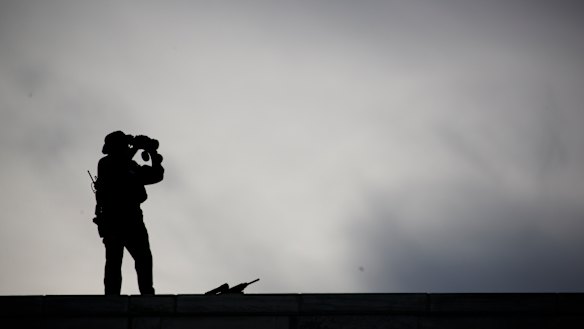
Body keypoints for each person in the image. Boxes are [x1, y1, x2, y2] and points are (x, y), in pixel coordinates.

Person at [93, 131, 164, 295]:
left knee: (144, 259)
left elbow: (156, 175)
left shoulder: (132, 166)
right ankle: (112, 298)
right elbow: (118, 167)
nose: (127, 147)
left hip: (133, 221)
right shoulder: (106, 163)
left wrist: (152, 152)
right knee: (114, 263)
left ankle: (147, 294)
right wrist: (137, 148)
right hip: (113, 221)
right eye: (123, 145)